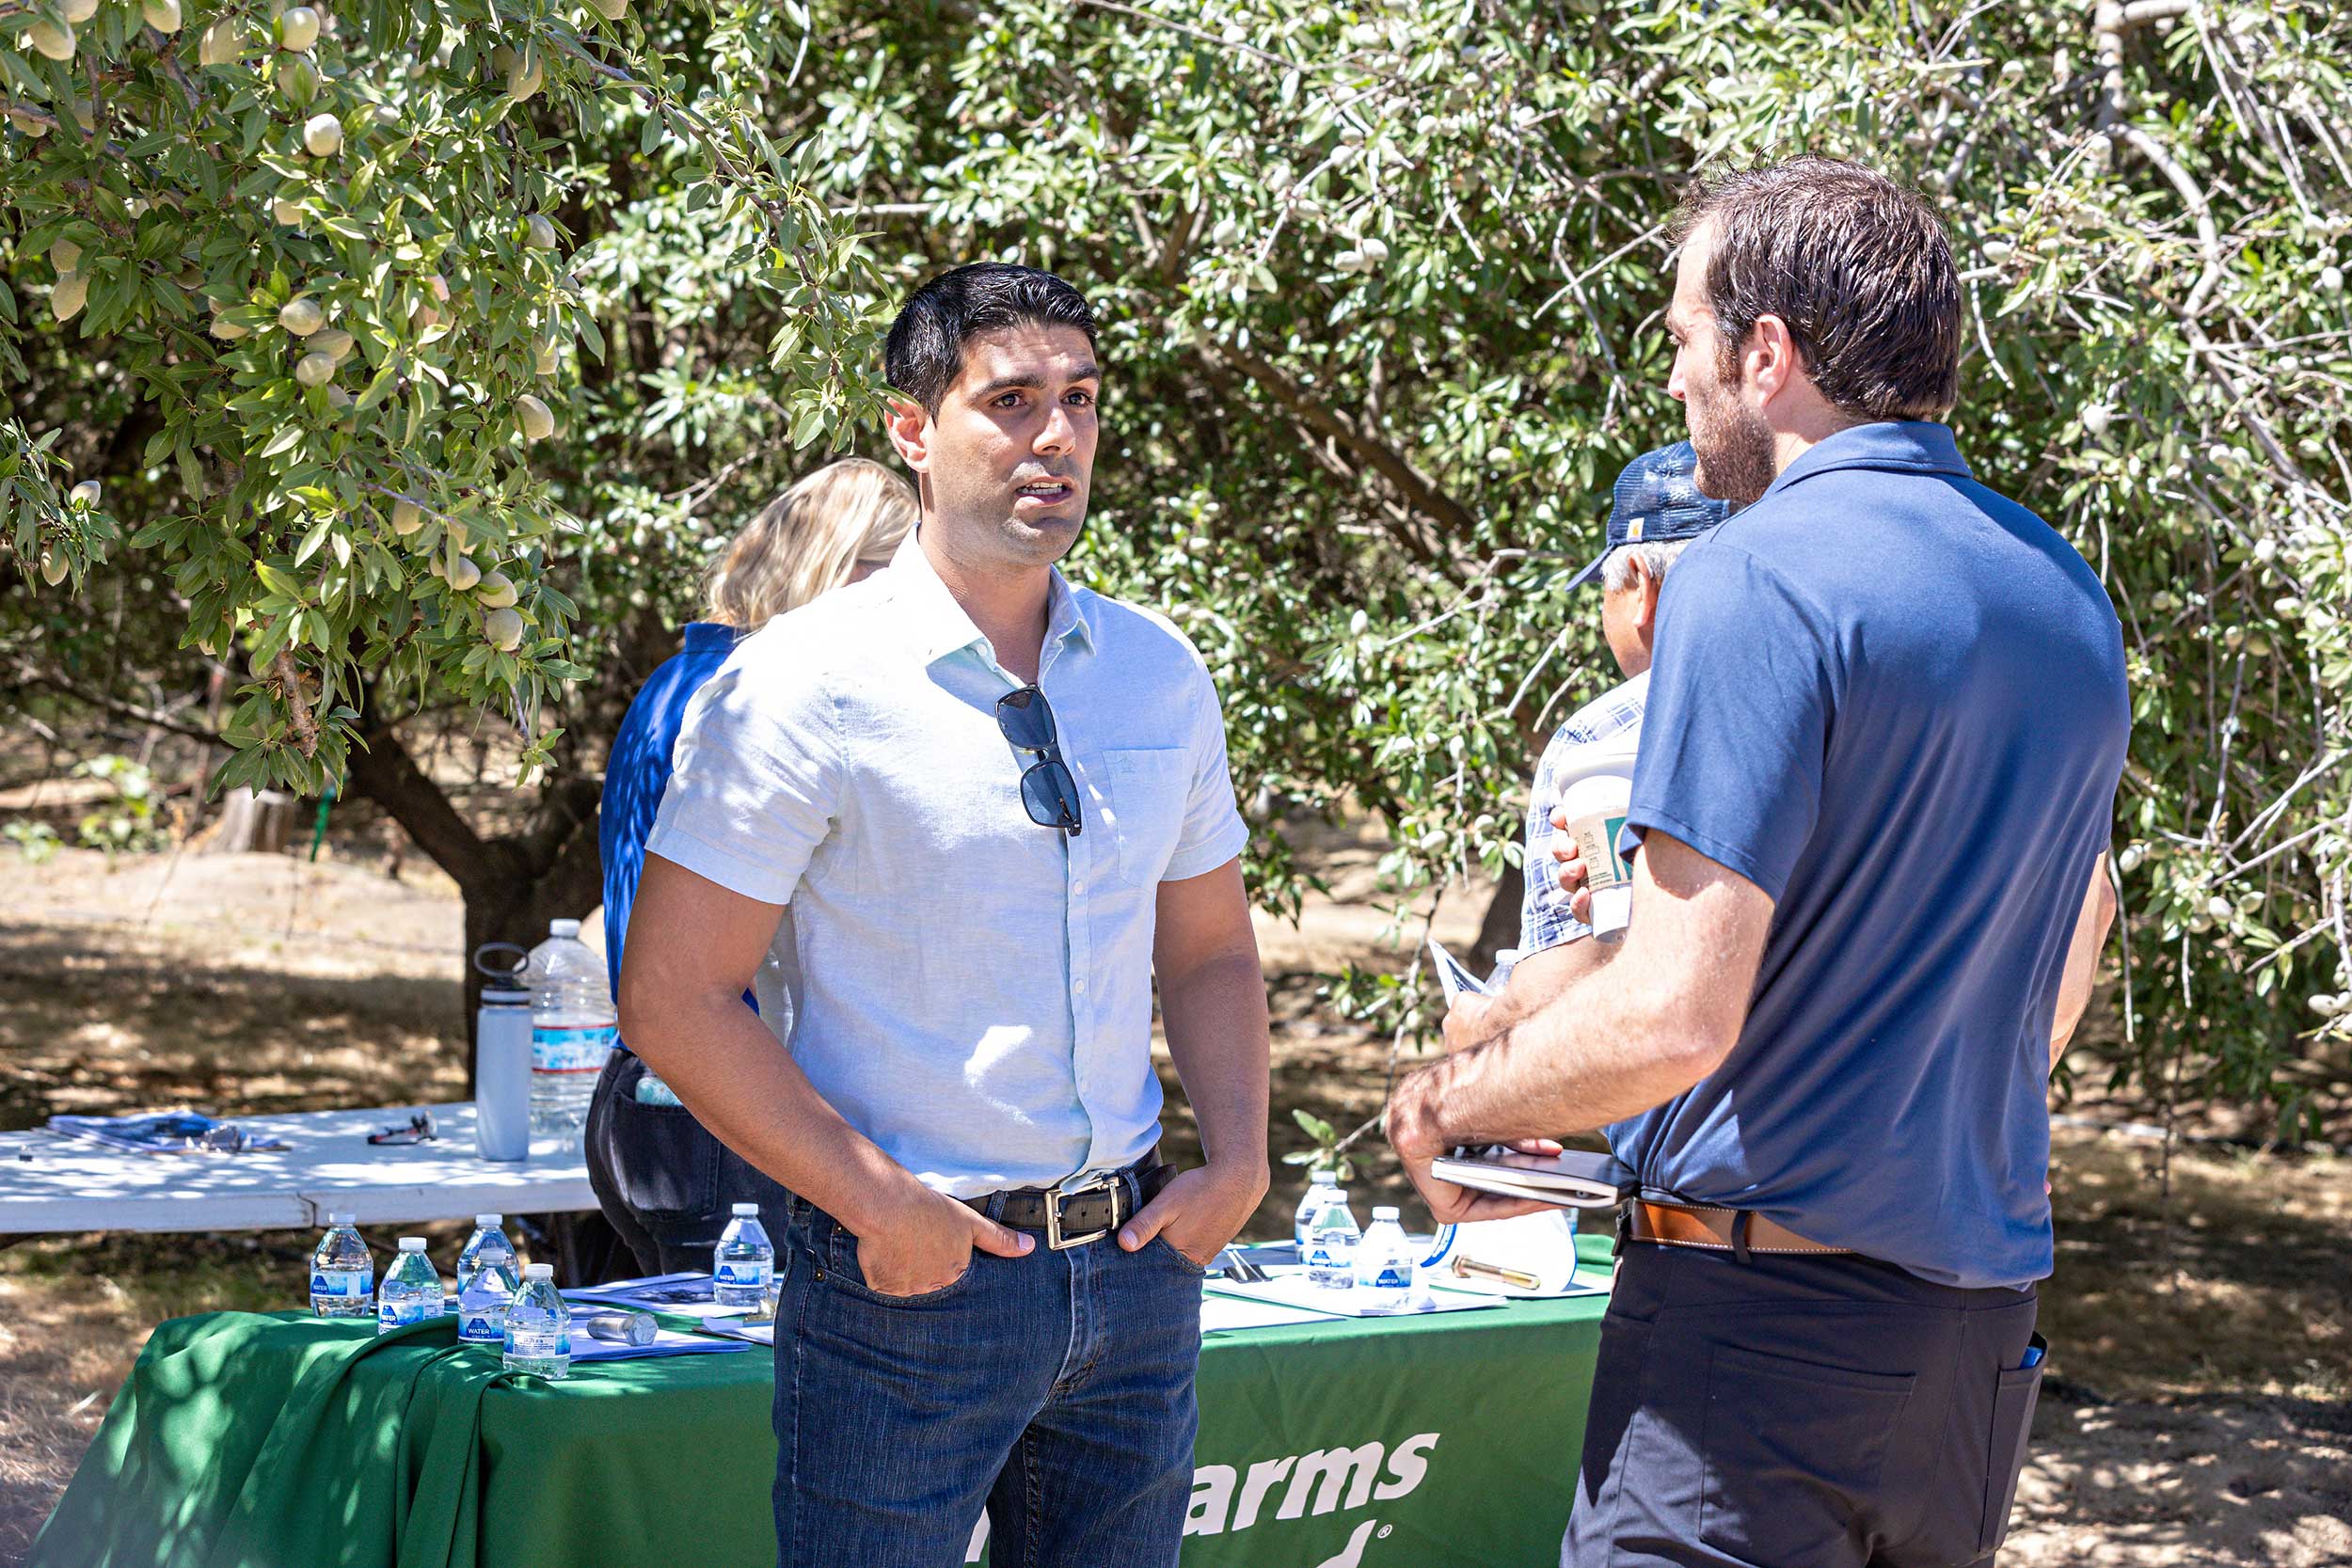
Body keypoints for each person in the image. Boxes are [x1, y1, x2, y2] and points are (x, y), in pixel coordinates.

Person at [1385, 157, 2129, 1568]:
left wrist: (1450, 1097)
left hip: (1756, 1354)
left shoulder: (1752, 574)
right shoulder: (2065, 597)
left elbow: (1679, 1010)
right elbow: (2038, 939)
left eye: (1680, 341)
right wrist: (1530, 1017)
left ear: (1766, 353)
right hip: (1973, 1348)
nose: (1674, 383)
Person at [620, 262, 1272, 1568]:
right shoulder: (799, 683)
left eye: (1081, 400)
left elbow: (1208, 948)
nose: (1057, 436)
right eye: (1012, 399)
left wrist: (1242, 1158)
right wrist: (877, 1203)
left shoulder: (1158, 670)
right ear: (913, 431)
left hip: (1136, 1273)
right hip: (909, 1285)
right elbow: (673, 996)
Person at [587, 457, 915, 1278]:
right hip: (722, 1106)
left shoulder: (683, 676)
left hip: (653, 1099)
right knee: (748, 1396)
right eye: (892, 579)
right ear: (832, 572)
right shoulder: (752, 699)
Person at [1502, 440, 1736, 1015]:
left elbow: (1557, 985)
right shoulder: (1839, 690)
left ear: (1640, 587)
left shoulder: (1596, 739)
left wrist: (1481, 1022)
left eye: (1605, 588)